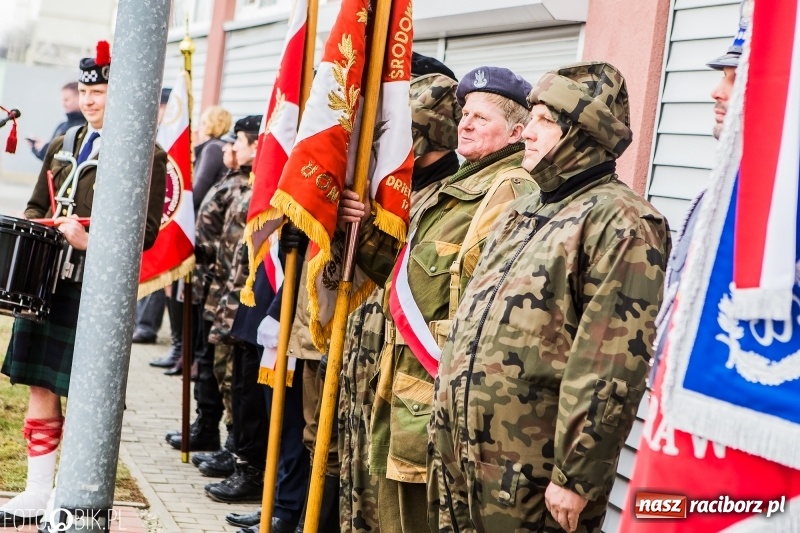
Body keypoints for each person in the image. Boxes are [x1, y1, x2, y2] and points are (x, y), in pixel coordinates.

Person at [428, 61, 670, 533]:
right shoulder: (527, 205)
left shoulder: (622, 221)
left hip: (531, 473)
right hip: (466, 453)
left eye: (544, 121)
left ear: (582, 134)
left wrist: (577, 476)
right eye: (531, 117)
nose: (528, 133)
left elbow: (610, 362)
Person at [339, 65, 537, 532]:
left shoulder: (510, 191)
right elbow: (404, 273)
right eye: (464, 114)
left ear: (517, 131)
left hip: (438, 392)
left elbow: (489, 302)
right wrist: (364, 224)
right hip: (405, 383)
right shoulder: (458, 189)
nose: (465, 124)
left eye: (481, 118)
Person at [0, 41, 167, 527]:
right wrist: (38, 229)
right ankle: (36, 492)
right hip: (44, 283)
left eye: (102, 90)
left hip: (94, 290)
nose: (91, 99)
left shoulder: (144, 153)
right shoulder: (62, 144)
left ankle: (68, 494)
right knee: (38, 385)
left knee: (84, 392)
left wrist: (88, 239)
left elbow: (147, 232)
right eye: (87, 90)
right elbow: (36, 205)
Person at [337, 52, 462, 533]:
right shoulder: (392, 186)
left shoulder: (450, 194)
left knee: (381, 497)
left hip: (403, 371)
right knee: (351, 473)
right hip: (363, 355)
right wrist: (361, 223)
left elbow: (413, 281)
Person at [164, 116, 261, 452]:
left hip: (227, 291)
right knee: (209, 365)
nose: (230, 147)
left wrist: (193, 251)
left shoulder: (245, 188)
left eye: (239, 142)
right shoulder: (232, 180)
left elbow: (229, 244)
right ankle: (206, 427)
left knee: (226, 371)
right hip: (213, 286)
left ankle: (232, 444)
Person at [133, 86, 175, 346]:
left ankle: (147, 325)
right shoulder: (153, 134)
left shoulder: (173, 135)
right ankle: (140, 322)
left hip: (165, 214)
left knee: (158, 268)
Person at [26, 82, 86, 161]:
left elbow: (68, 158)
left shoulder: (85, 127)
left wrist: (45, 148)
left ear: (79, 98)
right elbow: (49, 160)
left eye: (66, 99)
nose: (63, 103)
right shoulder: (62, 126)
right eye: (62, 100)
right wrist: (38, 149)